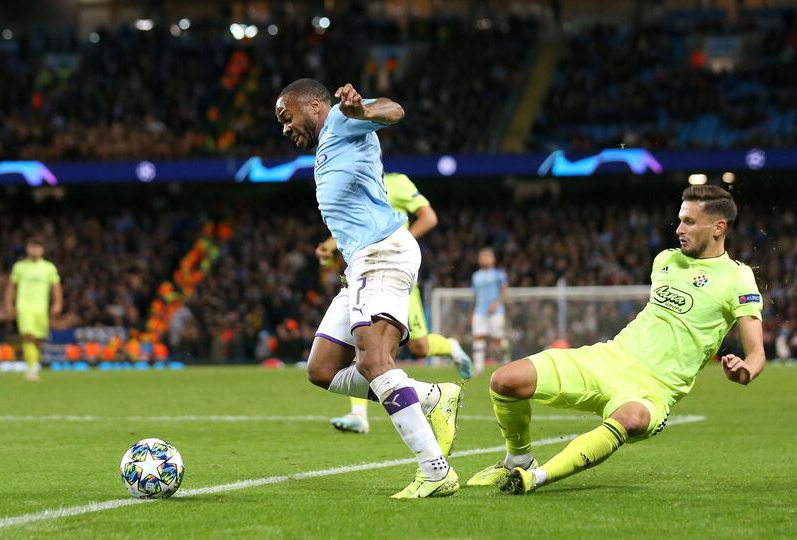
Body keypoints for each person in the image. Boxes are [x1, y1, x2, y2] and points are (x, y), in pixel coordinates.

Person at [467, 185, 765, 494]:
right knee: (504, 380)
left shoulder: (738, 278)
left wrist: (745, 370)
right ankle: (519, 459)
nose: (679, 229)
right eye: (679, 219)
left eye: (689, 222)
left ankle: (536, 478)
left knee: (632, 418)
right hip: (608, 358)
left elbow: (757, 353)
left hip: (653, 390)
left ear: (719, 228)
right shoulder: (665, 261)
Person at [275, 79, 461, 498]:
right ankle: (432, 396)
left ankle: (435, 472)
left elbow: (394, 109)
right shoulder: (325, 149)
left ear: (315, 105)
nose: (285, 128)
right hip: (362, 261)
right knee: (322, 369)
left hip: (382, 255)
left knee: (375, 361)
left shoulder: (342, 118)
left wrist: (363, 111)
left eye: (287, 117)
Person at [317, 172, 473, 434]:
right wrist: (329, 246)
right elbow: (355, 225)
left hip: (393, 271)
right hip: (365, 273)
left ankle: (451, 349)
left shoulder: (397, 182)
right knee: (366, 345)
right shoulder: (356, 182)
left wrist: (399, 243)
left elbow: (429, 217)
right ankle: (359, 414)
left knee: (419, 347)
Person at [4, 237, 63, 381]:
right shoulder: (20, 267)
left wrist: (58, 303)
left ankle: (34, 363)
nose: (35, 250)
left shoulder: (49, 267)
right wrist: (9, 304)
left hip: (41, 308)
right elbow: (11, 287)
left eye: (37, 247)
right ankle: (31, 368)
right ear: (27, 248)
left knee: (38, 339)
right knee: (28, 335)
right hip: (24, 306)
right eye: (32, 247)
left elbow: (56, 287)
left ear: (42, 249)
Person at [471, 247, 509, 376]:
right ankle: (478, 367)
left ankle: (506, 353)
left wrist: (496, 304)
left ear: (493, 259)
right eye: (483, 256)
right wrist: (472, 311)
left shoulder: (499, 274)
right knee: (478, 336)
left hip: (496, 312)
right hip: (480, 311)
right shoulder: (476, 276)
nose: (485, 258)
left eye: (488, 256)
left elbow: (504, 291)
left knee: (498, 340)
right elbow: (475, 296)